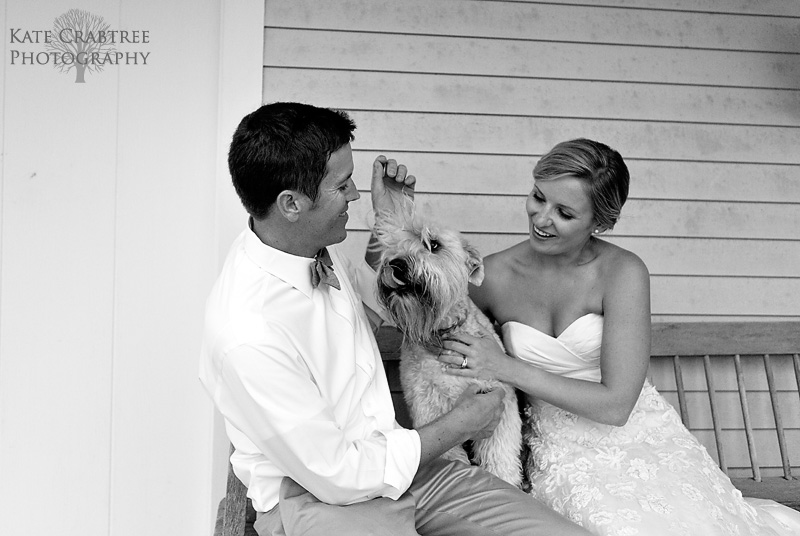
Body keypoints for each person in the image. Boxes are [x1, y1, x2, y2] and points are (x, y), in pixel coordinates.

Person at [199, 102, 590, 536]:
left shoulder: (308, 249)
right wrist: (464, 422)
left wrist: (390, 221)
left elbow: (380, 308)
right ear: (291, 203)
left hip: (405, 468)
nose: (354, 196)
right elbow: (338, 474)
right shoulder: (247, 333)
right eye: (343, 186)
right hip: (320, 501)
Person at [437, 138, 800, 535]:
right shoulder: (492, 275)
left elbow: (616, 406)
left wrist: (507, 366)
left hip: (639, 439)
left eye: (564, 212)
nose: (541, 218)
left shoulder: (623, 273)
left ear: (599, 221)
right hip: (551, 448)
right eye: (538, 197)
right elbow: (417, 303)